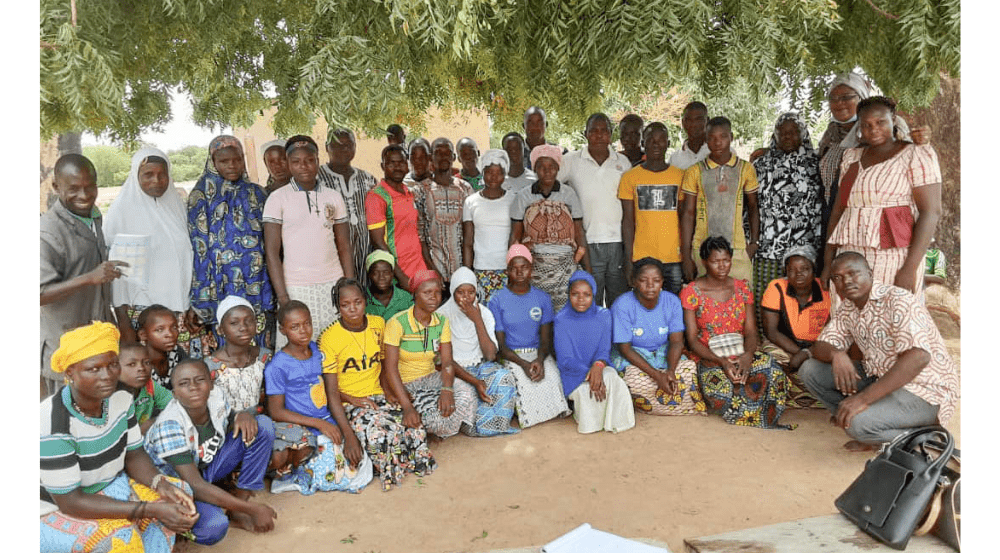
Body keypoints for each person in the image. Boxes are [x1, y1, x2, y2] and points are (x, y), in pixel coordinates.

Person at [40, 321, 198, 552]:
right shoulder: (52, 422)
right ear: (70, 373)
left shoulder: (121, 398)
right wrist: (148, 509)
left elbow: (134, 455)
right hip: (53, 507)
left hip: (110, 486)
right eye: (93, 369)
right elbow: (71, 502)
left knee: (177, 495)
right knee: (119, 541)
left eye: (112, 365)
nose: (107, 376)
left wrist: (159, 483)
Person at [799, 252, 959, 451]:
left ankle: (925, 437)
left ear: (870, 273)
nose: (846, 281)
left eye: (853, 273)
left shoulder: (898, 300)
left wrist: (862, 399)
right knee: (810, 370)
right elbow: (820, 347)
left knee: (858, 425)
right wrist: (837, 354)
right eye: (838, 278)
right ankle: (862, 419)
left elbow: (919, 357)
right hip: (880, 377)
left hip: (925, 389)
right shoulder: (848, 307)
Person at [319, 278, 437, 491]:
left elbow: (383, 364)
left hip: (378, 396)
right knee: (381, 435)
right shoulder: (329, 338)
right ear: (337, 307)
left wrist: (388, 390)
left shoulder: (377, 324)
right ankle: (389, 464)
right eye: (345, 305)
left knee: (415, 428)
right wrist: (349, 435)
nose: (353, 309)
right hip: (351, 404)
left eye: (357, 302)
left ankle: (404, 461)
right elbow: (331, 392)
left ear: (365, 301)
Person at [144, 360, 278, 543]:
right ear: (174, 394)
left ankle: (238, 506)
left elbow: (229, 417)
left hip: (205, 469)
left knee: (261, 426)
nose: (193, 387)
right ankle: (179, 526)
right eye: (184, 384)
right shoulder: (169, 425)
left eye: (200, 380)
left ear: (211, 383)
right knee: (213, 527)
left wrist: (241, 415)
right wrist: (254, 510)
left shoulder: (216, 396)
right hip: (177, 487)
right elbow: (194, 485)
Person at [821, 96, 941, 297]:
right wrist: (828, 262)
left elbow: (931, 211)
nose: (873, 129)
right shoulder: (851, 157)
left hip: (894, 259)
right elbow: (839, 210)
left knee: (890, 316)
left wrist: (909, 268)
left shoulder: (915, 154)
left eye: (880, 122)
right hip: (849, 255)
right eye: (866, 125)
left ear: (893, 119)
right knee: (850, 318)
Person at [104, 148, 214, 358]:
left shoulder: (177, 208)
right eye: (148, 174)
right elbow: (117, 277)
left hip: (182, 314)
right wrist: (125, 325)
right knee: (154, 380)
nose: (156, 180)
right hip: (145, 316)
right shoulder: (122, 212)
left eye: (162, 174)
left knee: (187, 378)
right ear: (136, 177)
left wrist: (195, 304)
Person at [813, 72, 928, 270]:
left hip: (884, 220)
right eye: (833, 98)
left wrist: (923, 142)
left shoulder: (890, 126)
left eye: (847, 97)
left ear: (861, 95)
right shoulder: (831, 133)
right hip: (839, 215)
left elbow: (907, 158)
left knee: (882, 275)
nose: (839, 103)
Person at [680, 237, 790, 429]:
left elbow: (750, 331)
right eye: (715, 261)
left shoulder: (742, 288)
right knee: (720, 390)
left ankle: (757, 413)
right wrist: (722, 362)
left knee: (775, 374)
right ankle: (756, 414)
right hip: (710, 356)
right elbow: (692, 340)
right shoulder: (692, 291)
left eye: (726, 260)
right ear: (704, 262)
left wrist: (747, 355)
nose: (722, 266)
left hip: (741, 351)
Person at [264, 301, 373, 494]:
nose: (303, 331)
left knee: (356, 461)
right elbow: (276, 411)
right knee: (332, 474)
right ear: (282, 330)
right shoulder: (278, 366)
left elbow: (322, 387)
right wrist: (319, 424)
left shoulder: (316, 351)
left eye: (307, 323)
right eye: (295, 327)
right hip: (303, 426)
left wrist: (350, 398)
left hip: (325, 419)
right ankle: (290, 476)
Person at [41, 154, 126, 397]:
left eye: (90, 187)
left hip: (98, 345)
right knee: (67, 422)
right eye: (74, 189)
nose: (84, 195)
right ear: (56, 187)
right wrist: (90, 277)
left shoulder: (93, 216)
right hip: (68, 351)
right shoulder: (47, 232)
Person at [264, 135, 355, 347]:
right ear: (288, 164)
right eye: (296, 161)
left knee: (337, 345)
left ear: (317, 160)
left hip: (333, 283)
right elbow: (272, 252)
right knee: (300, 346)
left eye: (309, 160)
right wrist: (284, 297)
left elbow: (344, 245)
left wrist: (348, 283)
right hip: (296, 287)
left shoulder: (333, 197)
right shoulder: (278, 199)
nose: (303, 166)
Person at [187, 134, 275, 350]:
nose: (232, 165)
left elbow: (268, 241)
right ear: (213, 162)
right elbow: (198, 248)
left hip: (256, 280)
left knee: (259, 341)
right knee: (227, 341)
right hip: (220, 284)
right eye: (224, 161)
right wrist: (201, 296)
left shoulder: (256, 193)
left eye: (237, 160)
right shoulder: (201, 196)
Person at [381, 270, 479, 437]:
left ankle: (445, 424)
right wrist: (407, 406)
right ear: (415, 295)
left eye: (437, 293)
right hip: (406, 384)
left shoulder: (441, 322)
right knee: (434, 418)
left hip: (431, 378)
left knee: (467, 393)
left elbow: (447, 362)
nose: (434, 297)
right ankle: (438, 425)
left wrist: (447, 389)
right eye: (427, 293)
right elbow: (390, 368)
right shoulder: (397, 323)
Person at [750, 112, 823, 320]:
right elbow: (751, 205)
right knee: (767, 296)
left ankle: (798, 341)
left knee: (799, 298)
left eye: (793, 132)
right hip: (769, 244)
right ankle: (767, 341)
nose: (788, 137)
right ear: (775, 135)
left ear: (803, 134)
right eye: (783, 133)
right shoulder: (761, 164)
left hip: (803, 245)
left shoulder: (815, 164)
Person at [487, 246, 570, 428]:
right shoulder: (497, 299)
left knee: (550, 378)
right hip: (512, 356)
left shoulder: (542, 298)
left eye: (524, 267)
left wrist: (539, 360)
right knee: (526, 386)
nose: (519, 271)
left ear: (531, 269)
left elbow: (546, 339)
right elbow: (501, 345)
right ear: (507, 271)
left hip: (537, 353)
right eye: (514, 267)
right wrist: (523, 364)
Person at [611, 258, 706, 416]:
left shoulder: (672, 302)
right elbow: (625, 349)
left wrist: (670, 371)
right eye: (643, 280)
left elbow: (676, 342)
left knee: (689, 372)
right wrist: (657, 376)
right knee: (633, 380)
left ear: (662, 282)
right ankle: (666, 405)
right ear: (634, 282)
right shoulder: (622, 305)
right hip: (634, 354)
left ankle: (654, 404)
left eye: (656, 280)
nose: (650, 286)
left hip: (663, 353)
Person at [559, 112, 631, 308]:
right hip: (586, 241)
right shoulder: (571, 160)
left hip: (617, 241)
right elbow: (552, 186)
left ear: (611, 134)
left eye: (604, 131)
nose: (599, 136)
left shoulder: (623, 163)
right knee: (591, 299)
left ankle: (617, 339)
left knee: (619, 300)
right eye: (593, 131)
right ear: (585, 134)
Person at [437, 268, 520, 436]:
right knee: (466, 395)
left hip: (481, 366)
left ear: (477, 292)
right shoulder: (440, 316)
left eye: (471, 292)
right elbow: (443, 361)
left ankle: (493, 424)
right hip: (455, 372)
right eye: (460, 292)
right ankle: (478, 425)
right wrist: (475, 381)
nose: (466, 298)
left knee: (504, 376)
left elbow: (490, 356)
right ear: (452, 291)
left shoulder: (485, 313)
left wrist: (477, 319)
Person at [509, 144, 591, 310]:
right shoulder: (523, 196)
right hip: (535, 266)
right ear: (534, 169)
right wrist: (513, 265)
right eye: (541, 167)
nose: (547, 171)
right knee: (538, 313)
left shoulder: (568, 194)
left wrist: (587, 271)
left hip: (565, 267)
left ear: (558, 168)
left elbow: (579, 232)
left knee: (563, 314)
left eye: (552, 167)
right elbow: (515, 236)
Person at [680, 116, 760, 283]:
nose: (717, 142)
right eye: (712, 138)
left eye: (723, 137)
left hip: (737, 249)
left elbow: (753, 207)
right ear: (706, 140)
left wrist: (753, 243)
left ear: (731, 137)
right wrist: (687, 255)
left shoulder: (745, 168)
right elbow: (688, 213)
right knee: (708, 304)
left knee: (741, 302)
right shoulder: (695, 171)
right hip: (703, 249)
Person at [554, 270, 636, 434]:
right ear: (569, 295)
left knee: (614, 381)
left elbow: (604, 349)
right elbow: (565, 359)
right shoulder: (561, 319)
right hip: (573, 374)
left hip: (600, 366)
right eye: (575, 294)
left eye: (587, 294)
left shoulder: (604, 315)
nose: (581, 299)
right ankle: (589, 422)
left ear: (594, 295)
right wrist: (591, 374)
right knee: (587, 393)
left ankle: (617, 423)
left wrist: (598, 367)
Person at [618, 122, 686, 294]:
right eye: (651, 140)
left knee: (672, 308)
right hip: (641, 258)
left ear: (668, 144)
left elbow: (685, 218)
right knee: (643, 311)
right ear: (643, 143)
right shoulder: (630, 177)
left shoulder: (680, 176)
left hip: (673, 258)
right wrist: (628, 259)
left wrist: (687, 255)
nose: (656, 144)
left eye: (661, 140)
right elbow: (628, 221)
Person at [760, 246, 831, 409]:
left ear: (814, 271)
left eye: (805, 269)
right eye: (792, 269)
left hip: (819, 348)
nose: (798, 274)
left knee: (836, 361)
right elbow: (771, 331)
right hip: (786, 345)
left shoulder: (827, 291)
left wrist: (808, 353)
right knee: (767, 361)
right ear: (785, 271)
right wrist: (798, 353)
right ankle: (778, 401)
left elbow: (832, 333)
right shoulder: (777, 288)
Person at [317, 128, 378, 289]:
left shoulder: (368, 179)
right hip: (331, 253)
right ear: (326, 147)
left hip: (365, 250)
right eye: (337, 145)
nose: (343, 149)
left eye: (348, 145)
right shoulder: (316, 178)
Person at [366, 144, 431, 292]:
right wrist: (400, 277)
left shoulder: (409, 192)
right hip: (399, 276)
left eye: (401, 162)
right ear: (383, 166)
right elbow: (377, 241)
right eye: (391, 163)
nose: (397, 167)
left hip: (418, 270)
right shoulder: (377, 196)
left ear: (407, 165)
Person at [414, 137, 474, 283]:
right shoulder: (420, 190)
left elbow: (471, 233)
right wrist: (432, 271)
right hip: (434, 271)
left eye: (447, 152)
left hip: (462, 270)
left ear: (453, 157)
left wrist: (467, 271)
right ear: (430, 157)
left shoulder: (465, 189)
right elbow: (420, 236)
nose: (443, 156)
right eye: (438, 152)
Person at [462, 148, 517, 302]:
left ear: (504, 174)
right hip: (481, 269)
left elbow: (517, 237)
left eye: (499, 172)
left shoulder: (513, 200)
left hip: (508, 269)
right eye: (489, 172)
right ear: (483, 172)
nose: (494, 177)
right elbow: (467, 242)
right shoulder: (471, 202)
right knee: (484, 316)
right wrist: (467, 273)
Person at [204, 295, 273, 416]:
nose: (243, 327)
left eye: (249, 321)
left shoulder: (265, 357)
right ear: (220, 330)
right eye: (234, 323)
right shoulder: (210, 365)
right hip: (227, 427)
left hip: (259, 423)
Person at [117, 342, 172, 434]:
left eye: (147, 362)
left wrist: (153, 421)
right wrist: (140, 431)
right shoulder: (111, 397)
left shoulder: (150, 386)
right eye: (132, 364)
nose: (141, 368)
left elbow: (174, 405)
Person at [137, 304, 188, 390]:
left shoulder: (177, 353)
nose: (170, 334)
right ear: (143, 335)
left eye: (174, 327)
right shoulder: (138, 364)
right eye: (160, 329)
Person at [364, 250, 415, 321]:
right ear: (369, 275)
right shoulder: (362, 299)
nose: (381, 277)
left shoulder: (405, 298)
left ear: (392, 274)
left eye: (386, 272)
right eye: (376, 272)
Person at [668, 101, 710, 170]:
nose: (693, 124)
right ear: (683, 123)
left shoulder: (722, 153)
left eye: (698, 120)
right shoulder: (675, 159)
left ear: (707, 121)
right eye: (688, 120)